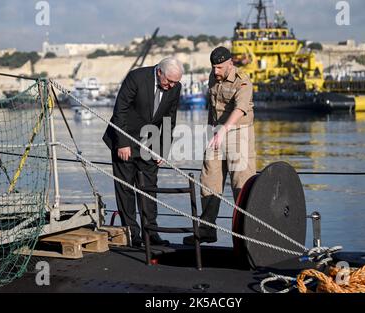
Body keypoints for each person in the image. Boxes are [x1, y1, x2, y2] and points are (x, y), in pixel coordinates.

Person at [103, 57, 183, 247]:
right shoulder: (136, 78)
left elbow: (169, 120)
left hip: (150, 142)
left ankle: (151, 232)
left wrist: (162, 150)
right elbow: (120, 110)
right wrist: (122, 143)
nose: (171, 86)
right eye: (169, 81)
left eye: (175, 82)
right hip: (124, 139)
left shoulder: (175, 87)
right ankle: (132, 233)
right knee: (126, 189)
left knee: (149, 189)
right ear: (159, 72)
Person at [184, 47, 256, 245]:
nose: (216, 71)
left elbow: (240, 109)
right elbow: (212, 107)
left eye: (220, 67)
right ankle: (207, 229)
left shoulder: (243, 80)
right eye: (214, 67)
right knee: (209, 178)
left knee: (241, 183)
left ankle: (247, 234)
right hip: (216, 134)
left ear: (230, 63)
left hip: (238, 133)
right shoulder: (213, 77)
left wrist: (223, 130)